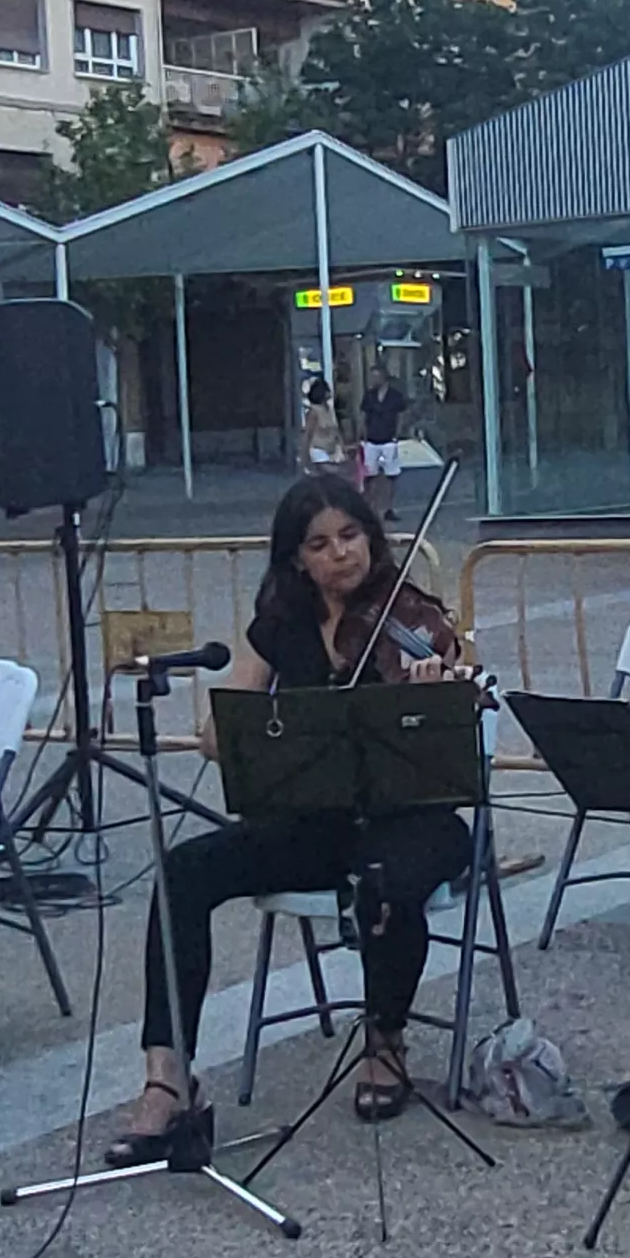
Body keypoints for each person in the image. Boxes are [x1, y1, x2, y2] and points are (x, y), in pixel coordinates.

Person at [108, 472, 482, 1163]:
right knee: (185, 870)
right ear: (296, 560)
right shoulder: (279, 625)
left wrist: (440, 691)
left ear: (372, 537)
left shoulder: (411, 617)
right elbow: (225, 723)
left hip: (415, 818)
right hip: (320, 818)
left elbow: (463, 695)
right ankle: (167, 1074)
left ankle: (386, 1038)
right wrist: (229, 729)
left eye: (351, 536)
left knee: (389, 883)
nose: (341, 554)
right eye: (320, 544)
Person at [356, 361, 410, 521]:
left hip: (388, 438)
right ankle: (368, 507)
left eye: (376, 376)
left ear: (384, 377)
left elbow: (401, 414)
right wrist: (362, 434)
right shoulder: (369, 395)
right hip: (372, 439)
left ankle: (388, 508)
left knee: (390, 475)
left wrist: (398, 433)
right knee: (369, 475)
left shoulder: (395, 396)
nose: (373, 380)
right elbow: (363, 415)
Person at [299, 375, 346, 482]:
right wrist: (304, 456)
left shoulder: (329, 409)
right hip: (319, 449)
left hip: (332, 448)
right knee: (332, 474)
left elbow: (335, 429)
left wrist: (341, 444)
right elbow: (308, 433)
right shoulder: (314, 412)